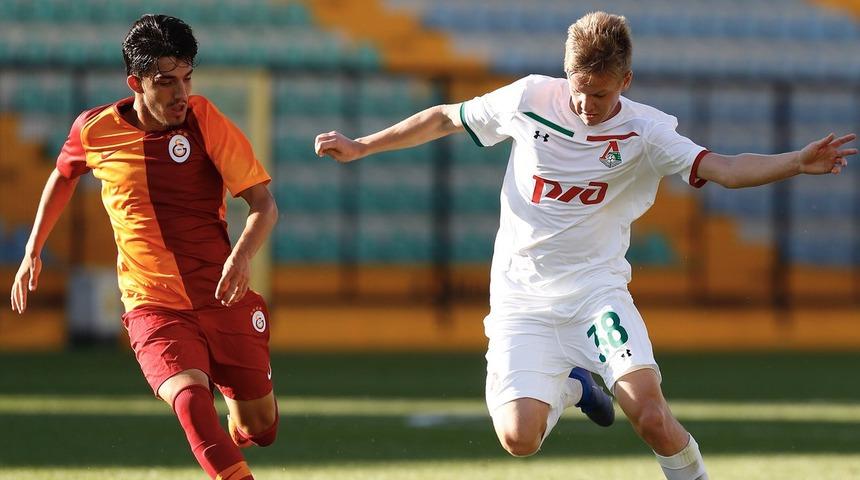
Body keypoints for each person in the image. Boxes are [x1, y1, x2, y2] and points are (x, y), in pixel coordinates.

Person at [314, 11, 855, 480]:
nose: (587, 104)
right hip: (520, 300)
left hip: (597, 295)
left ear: (626, 80)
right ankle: (575, 388)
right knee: (518, 439)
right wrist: (363, 145)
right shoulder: (529, 98)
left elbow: (724, 169)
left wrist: (795, 162)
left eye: (600, 94)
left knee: (650, 416)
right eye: (578, 88)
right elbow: (445, 117)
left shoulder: (647, 132)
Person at [10, 15, 279, 480]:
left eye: (187, 78)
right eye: (166, 82)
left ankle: (241, 416)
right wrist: (33, 248)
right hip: (151, 303)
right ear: (136, 82)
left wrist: (241, 254)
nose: (181, 93)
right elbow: (63, 174)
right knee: (191, 399)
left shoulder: (204, 120)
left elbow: (263, 204)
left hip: (221, 294)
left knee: (262, 428)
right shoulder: (94, 130)